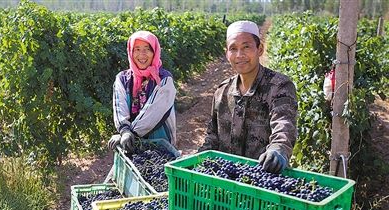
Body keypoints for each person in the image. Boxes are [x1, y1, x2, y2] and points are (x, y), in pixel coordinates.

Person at [199, 21, 298, 174]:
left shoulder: (279, 86)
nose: (239, 55)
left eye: (246, 47)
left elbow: (284, 126)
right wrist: (197, 160)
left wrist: (278, 150)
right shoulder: (222, 91)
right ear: (227, 53)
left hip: (263, 179)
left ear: (260, 49)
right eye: (233, 49)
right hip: (227, 180)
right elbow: (212, 138)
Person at [108, 30, 177, 152]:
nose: (142, 54)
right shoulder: (122, 79)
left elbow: (154, 112)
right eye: (137, 49)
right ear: (131, 52)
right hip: (131, 145)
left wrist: (130, 134)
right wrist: (124, 130)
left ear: (154, 52)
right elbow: (120, 108)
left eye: (147, 49)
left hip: (161, 145)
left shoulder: (164, 80)